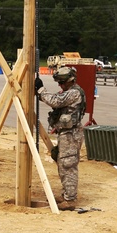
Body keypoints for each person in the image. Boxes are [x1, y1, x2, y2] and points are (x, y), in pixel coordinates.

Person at [36, 66, 86, 211]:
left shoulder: (74, 93)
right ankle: (66, 194)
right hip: (67, 133)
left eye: (62, 82)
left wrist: (41, 91)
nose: (60, 85)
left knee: (68, 165)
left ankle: (70, 199)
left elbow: (56, 101)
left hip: (71, 135)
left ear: (70, 81)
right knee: (63, 163)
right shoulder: (70, 91)